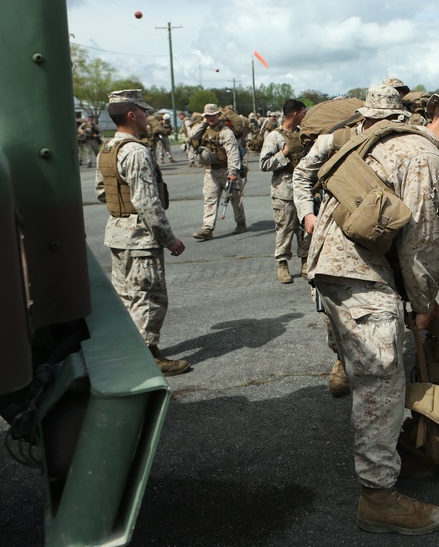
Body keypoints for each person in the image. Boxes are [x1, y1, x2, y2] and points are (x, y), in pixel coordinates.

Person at [303, 84, 439, 536]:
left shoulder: (387, 136)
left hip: (335, 267)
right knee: (381, 385)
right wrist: (425, 306)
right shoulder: (424, 156)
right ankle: (378, 498)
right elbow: (420, 247)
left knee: (370, 377)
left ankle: (385, 462)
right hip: (360, 277)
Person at [293, 84, 411, 398]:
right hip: (336, 240)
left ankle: (382, 367)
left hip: (381, 237)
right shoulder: (337, 139)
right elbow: (302, 173)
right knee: (333, 311)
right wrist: (307, 213)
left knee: (387, 307)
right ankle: (342, 358)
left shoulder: (403, 142)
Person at [94, 89, 190, 376]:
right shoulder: (135, 151)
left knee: (127, 296)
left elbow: (103, 192)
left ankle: (129, 350)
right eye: (145, 112)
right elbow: (147, 203)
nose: (149, 117)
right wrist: (169, 238)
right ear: (132, 115)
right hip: (139, 238)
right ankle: (148, 356)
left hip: (117, 233)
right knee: (149, 296)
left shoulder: (108, 149)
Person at [259, 99, 309, 284]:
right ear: (295, 114)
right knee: (285, 228)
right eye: (303, 113)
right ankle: (282, 264)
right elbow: (263, 164)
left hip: (303, 189)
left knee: (305, 229)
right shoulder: (275, 137)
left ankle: (305, 261)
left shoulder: (303, 134)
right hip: (284, 191)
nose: (305, 116)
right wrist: (284, 154)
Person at [188, 103, 246, 240]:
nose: (210, 118)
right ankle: (207, 229)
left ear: (218, 115)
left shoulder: (226, 132)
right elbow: (192, 135)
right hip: (211, 171)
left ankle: (241, 222)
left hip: (227, 170)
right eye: (208, 116)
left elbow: (232, 153)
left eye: (213, 115)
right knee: (210, 199)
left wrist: (233, 172)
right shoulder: (204, 129)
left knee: (235, 199)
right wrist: (203, 123)